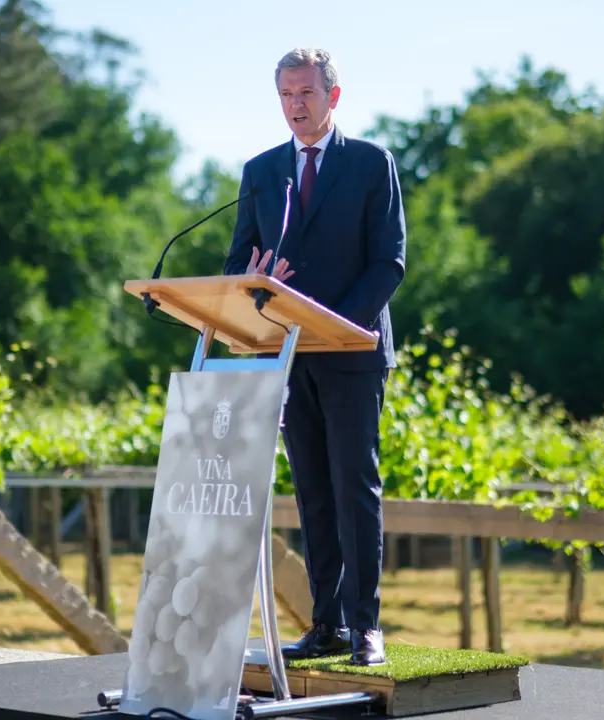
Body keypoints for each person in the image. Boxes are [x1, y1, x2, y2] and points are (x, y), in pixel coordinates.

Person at [222, 48, 406, 666]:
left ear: (333, 96)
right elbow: (239, 263)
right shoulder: (261, 171)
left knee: (355, 485)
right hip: (286, 353)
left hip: (352, 350)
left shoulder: (371, 163)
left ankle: (365, 626)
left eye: (305, 93)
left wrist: (339, 325)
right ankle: (325, 622)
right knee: (313, 491)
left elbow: (389, 261)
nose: (295, 105)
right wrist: (253, 283)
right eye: (286, 94)